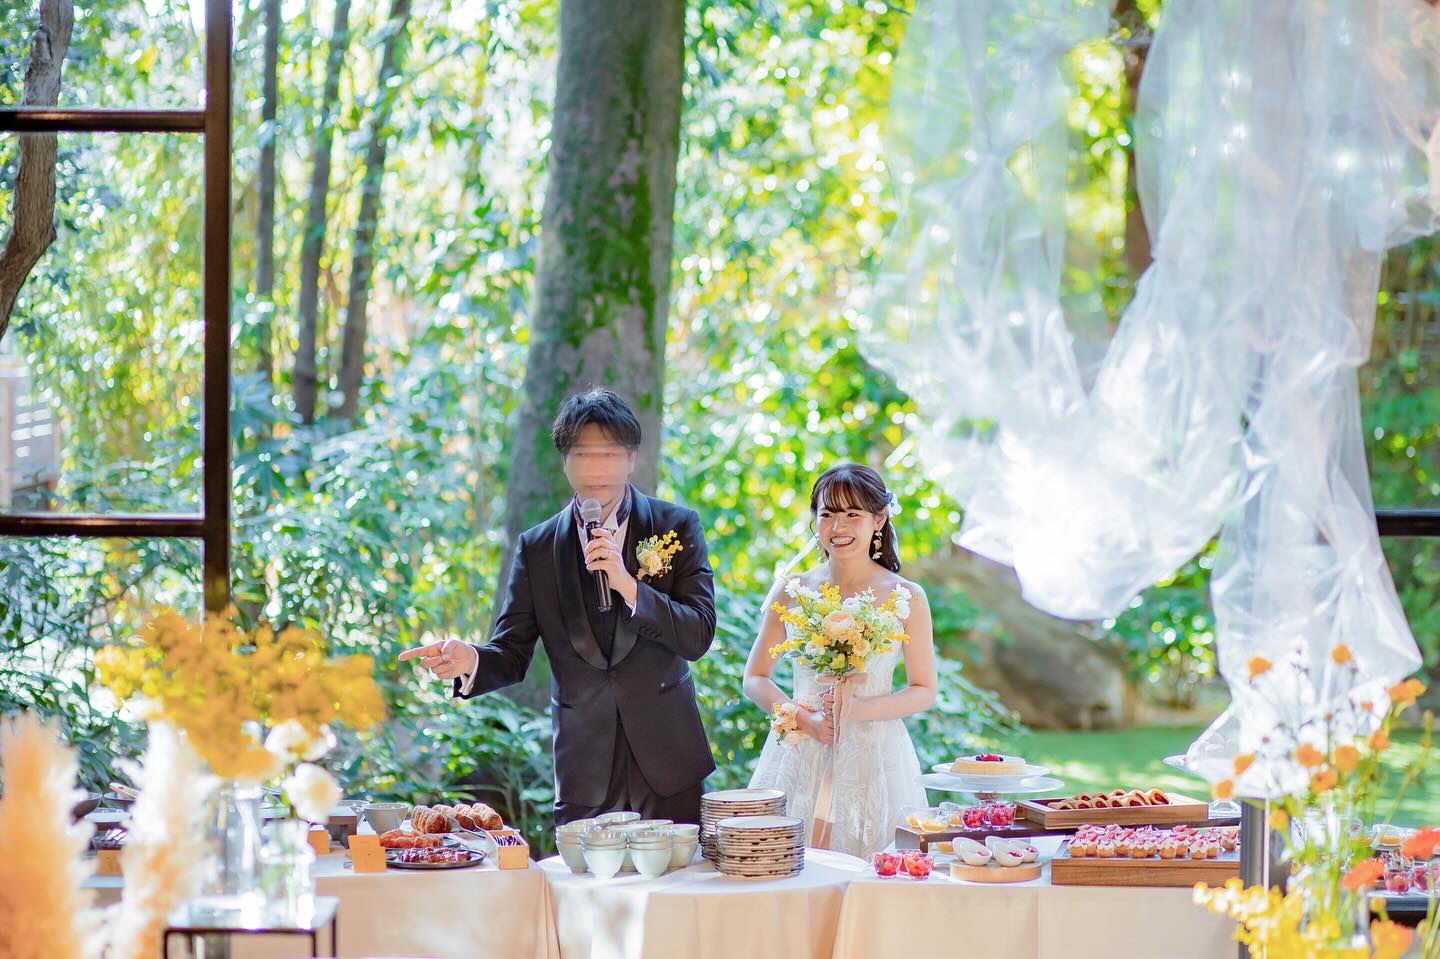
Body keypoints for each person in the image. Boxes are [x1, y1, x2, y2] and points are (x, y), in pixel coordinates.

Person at [400, 388, 717, 824]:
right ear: (565, 461)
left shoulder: (676, 526)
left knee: (682, 869)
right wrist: (471, 659)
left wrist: (629, 586)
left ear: (631, 458)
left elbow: (698, 633)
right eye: (583, 455)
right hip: (584, 769)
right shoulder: (537, 548)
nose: (596, 469)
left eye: (609, 454)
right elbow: (512, 652)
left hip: (670, 764)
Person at [744, 463, 935, 858]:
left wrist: (857, 711)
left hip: (874, 751)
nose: (838, 526)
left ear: (879, 519)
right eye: (827, 514)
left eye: (852, 514)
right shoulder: (793, 589)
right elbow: (755, 677)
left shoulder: (906, 595)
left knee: (876, 863)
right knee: (784, 862)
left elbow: (924, 690)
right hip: (801, 748)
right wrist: (807, 720)